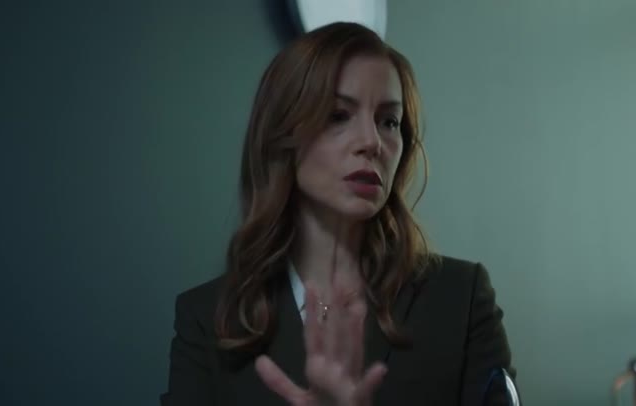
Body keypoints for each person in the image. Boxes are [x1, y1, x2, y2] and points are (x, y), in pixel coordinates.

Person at [160, 22, 518, 406]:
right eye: (338, 115)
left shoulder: (460, 300)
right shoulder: (208, 319)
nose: (371, 142)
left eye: (389, 122)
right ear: (282, 135)